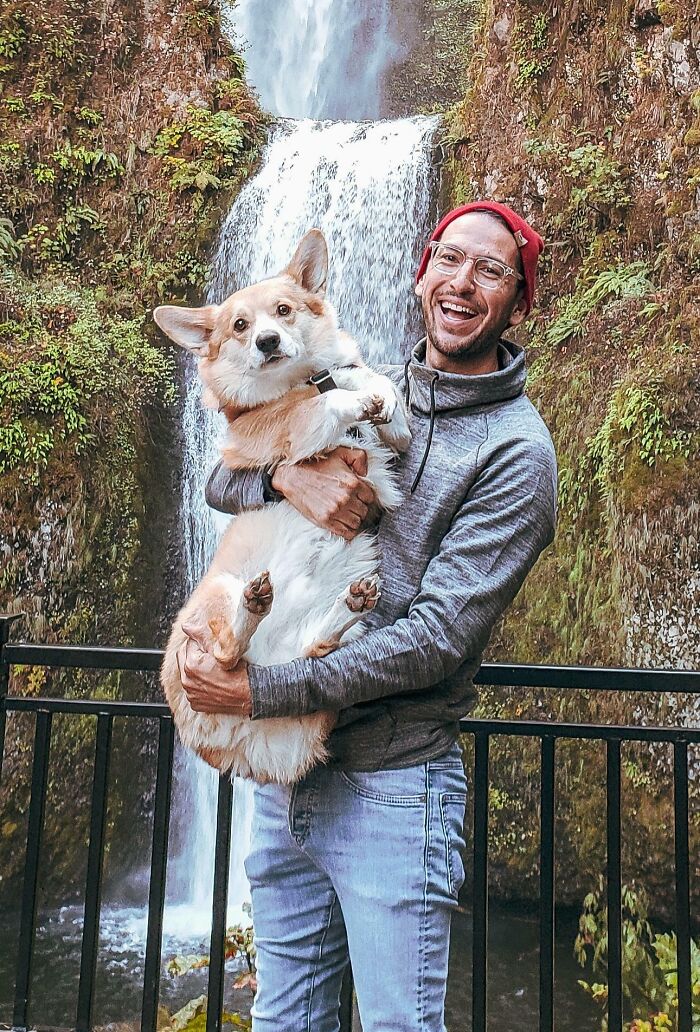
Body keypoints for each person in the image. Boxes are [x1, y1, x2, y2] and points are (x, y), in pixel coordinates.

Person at [178, 201, 557, 1032]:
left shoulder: (516, 453)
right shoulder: (355, 381)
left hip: (393, 788)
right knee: (285, 1020)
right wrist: (286, 478)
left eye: (491, 270)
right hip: (289, 781)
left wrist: (259, 693)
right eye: (449, 259)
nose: (462, 282)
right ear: (421, 274)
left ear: (519, 300)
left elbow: (435, 641)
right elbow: (222, 479)